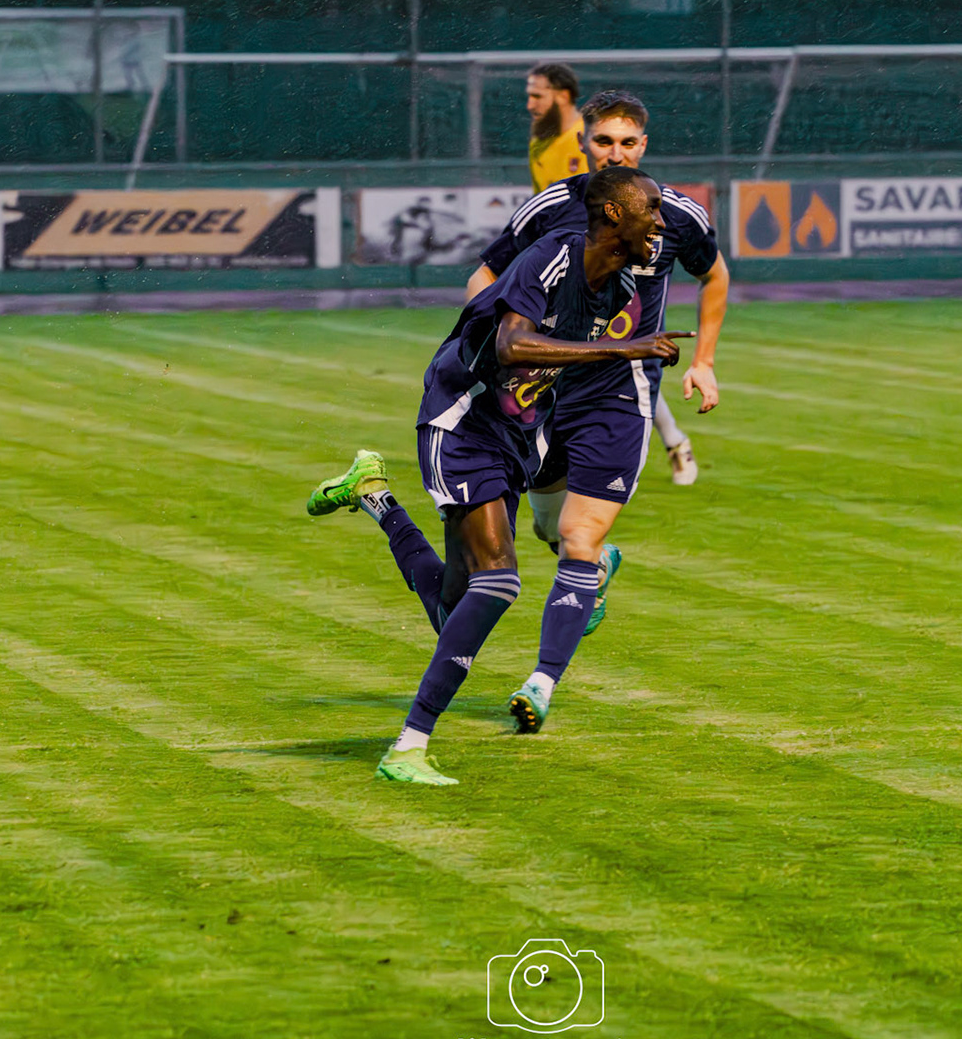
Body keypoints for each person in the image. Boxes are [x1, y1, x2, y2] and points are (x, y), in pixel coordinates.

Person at [305, 166, 685, 785]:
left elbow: (563, 368)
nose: (662, 223)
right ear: (615, 214)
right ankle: (407, 747)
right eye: (652, 209)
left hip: (517, 435)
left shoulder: (619, 289)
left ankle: (374, 495)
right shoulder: (554, 256)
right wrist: (627, 348)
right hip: (461, 420)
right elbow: (511, 345)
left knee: (453, 611)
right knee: (499, 582)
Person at [476, 90, 724, 487]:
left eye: (628, 142)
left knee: (585, 519)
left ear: (643, 145)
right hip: (547, 384)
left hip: (620, 390)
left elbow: (714, 275)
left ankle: (674, 443)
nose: (616, 155)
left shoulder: (676, 214)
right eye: (603, 141)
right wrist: (490, 345)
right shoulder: (551, 207)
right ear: (582, 141)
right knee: (547, 517)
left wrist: (704, 363)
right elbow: (487, 275)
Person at [526, 62, 588, 195]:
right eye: (529, 96)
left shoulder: (593, 136)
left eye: (537, 96)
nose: (530, 106)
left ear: (563, 97)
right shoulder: (537, 143)